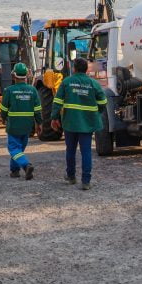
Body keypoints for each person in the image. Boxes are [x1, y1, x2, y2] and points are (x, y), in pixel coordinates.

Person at [51, 57, 107, 190]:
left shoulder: (66, 82)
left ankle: (71, 177)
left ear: (74, 68)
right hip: (87, 123)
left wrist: (54, 118)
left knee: (70, 150)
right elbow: (103, 102)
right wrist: (97, 112)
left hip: (70, 122)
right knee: (86, 151)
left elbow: (57, 102)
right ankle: (86, 181)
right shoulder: (94, 83)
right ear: (87, 69)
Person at [0, 62, 42, 180]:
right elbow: (38, 109)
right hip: (27, 126)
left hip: (14, 125)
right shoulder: (32, 90)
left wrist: (3, 118)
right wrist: (39, 123)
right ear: (27, 75)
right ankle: (14, 170)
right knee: (19, 149)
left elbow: (3, 109)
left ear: (13, 75)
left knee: (14, 149)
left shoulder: (9, 90)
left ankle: (26, 165)